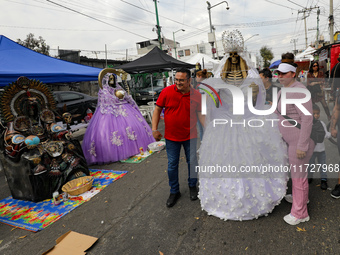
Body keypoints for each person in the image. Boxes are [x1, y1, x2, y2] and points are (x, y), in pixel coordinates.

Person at [198, 30, 288, 221]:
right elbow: (258, 105)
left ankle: (226, 200)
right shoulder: (252, 75)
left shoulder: (217, 78)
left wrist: (212, 127)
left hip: (224, 127)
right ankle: (255, 198)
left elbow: (213, 106)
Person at [152, 68, 205, 208]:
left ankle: (193, 186)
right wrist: (154, 129)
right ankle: (174, 191)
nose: (178, 83)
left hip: (191, 136)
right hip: (171, 137)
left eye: (181, 80)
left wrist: (208, 130)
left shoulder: (197, 95)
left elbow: (201, 114)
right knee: (172, 165)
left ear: (189, 80)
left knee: (192, 162)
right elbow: (157, 109)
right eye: (176, 80)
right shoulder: (167, 91)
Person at [82, 68, 155, 165]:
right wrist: (117, 98)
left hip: (125, 110)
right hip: (108, 113)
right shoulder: (103, 90)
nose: (112, 81)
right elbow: (107, 100)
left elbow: (126, 96)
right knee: (107, 133)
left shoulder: (118, 88)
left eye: (113, 78)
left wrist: (125, 96)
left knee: (132, 128)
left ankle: (133, 149)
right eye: (110, 79)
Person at [275, 52, 315, 225]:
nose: (280, 76)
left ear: (293, 73)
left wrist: (302, 146)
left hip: (298, 141)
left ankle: (300, 213)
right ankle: (300, 199)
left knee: (299, 177)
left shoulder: (298, 90)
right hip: (290, 140)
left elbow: (307, 118)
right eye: (279, 73)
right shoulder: (286, 89)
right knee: (296, 175)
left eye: (284, 73)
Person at [307, 104, 330, 189]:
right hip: (311, 151)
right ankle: (309, 177)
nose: (316, 115)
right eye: (314, 114)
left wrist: (331, 135)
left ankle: (324, 180)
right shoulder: (308, 124)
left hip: (321, 150)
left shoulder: (322, 123)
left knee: (322, 165)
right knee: (310, 165)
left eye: (318, 113)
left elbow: (326, 133)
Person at [195, 69, 208, 141]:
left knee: (202, 129)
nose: (196, 78)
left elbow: (205, 98)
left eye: (196, 76)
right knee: (203, 129)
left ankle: (204, 145)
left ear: (200, 77)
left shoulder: (202, 86)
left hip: (202, 109)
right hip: (203, 109)